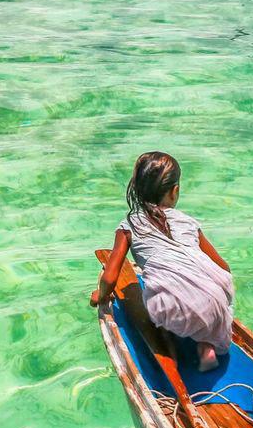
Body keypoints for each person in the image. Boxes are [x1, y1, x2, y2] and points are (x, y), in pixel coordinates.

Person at [90, 152, 233, 372]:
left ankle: (169, 353)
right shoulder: (188, 222)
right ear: (174, 191)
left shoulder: (129, 226)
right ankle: (206, 348)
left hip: (174, 308)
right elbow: (223, 267)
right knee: (201, 302)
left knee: (160, 301)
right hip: (218, 296)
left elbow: (110, 277)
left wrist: (101, 295)